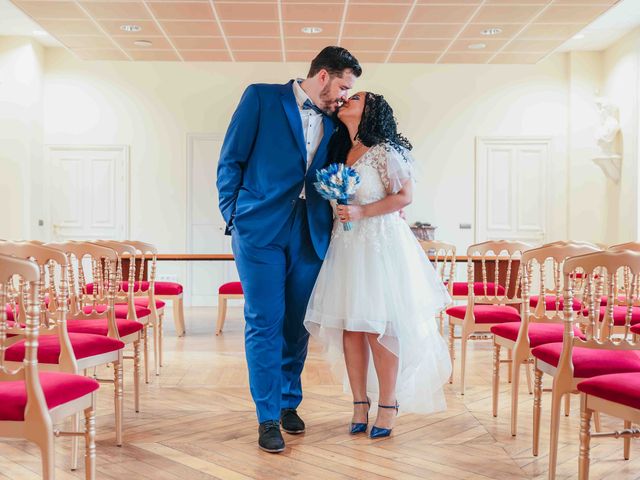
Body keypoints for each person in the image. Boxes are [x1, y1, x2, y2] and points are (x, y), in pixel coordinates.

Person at [216, 46, 361, 453]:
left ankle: (287, 403)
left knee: (297, 324)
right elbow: (231, 160)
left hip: (311, 230)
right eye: (342, 86)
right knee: (265, 319)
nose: (343, 96)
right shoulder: (261, 97)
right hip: (259, 228)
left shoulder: (336, 122)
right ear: (322, 76)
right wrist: (234, 214)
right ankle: (266, 418)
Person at [304, 91, 452, 438]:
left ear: (370, 110)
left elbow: (405, 197)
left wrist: (361, 211)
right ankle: (358, 403)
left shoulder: (386, 150)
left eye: (354, 98)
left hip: (380, 246)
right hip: (347, 247)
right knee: (351, 328)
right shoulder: (341, 151)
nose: (345, 101)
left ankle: (388, 403)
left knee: (380, 326)